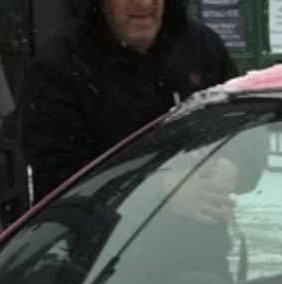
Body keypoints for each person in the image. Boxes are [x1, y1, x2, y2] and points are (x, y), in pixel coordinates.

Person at [20, 0, 237, 203]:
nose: (144, 4)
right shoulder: (61, 64)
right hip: (101, 240)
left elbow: (243, 125)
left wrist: (235, 164)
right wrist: (158, 190)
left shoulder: (201, 46)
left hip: (204, 239)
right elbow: (57, 182)